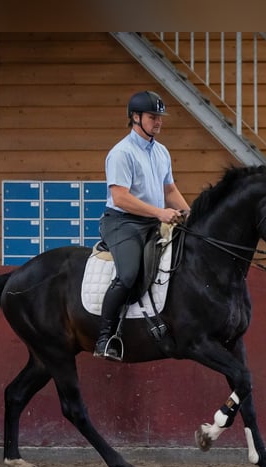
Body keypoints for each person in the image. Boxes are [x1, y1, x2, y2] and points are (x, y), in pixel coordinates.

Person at [94, 90, 191, 360]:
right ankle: (105, 338)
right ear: (135, 118)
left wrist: (189, 214)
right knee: (127, 274)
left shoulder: (161, 152)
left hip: (152, 220)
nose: (158, 121)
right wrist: (160, 212)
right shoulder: (121, 153)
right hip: (122, 222)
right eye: (152, 117)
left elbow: (169, 189)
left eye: (159, 117)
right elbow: (121, 197)